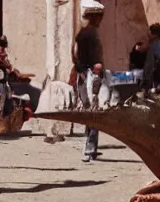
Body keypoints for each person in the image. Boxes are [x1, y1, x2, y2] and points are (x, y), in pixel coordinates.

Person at [73, 1, 105, 163]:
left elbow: (75, 55)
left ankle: (92, 147)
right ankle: (90, 148)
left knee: (90, 112)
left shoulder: (82, 33)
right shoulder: (90, 34)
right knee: (93, 113)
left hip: (85, 75)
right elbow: (94, 59)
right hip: (90, 75)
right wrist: (92, 69)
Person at [143, 23, 160, 90]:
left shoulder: (156, 44)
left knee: (149, 85)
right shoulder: (154, 42)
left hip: (151, 68)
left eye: (150, 32)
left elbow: (156, 57)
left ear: (155, 35)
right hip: (150, 67)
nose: (148, 33)